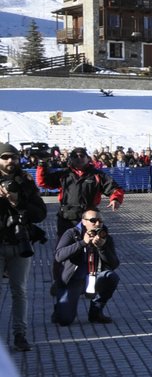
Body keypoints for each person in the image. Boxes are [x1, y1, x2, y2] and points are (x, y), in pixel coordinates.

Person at [0, 143, 47, 351]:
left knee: (19, 290)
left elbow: (41, 213)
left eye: (14, 157)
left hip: (20, 243)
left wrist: (17, 201)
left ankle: (20, 334)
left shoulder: (25, 182)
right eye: (5, 157)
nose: (10, 161)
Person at [52, 208, 119, 326]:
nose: (97, 223)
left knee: (111, 277)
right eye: (93, 220)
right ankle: (60, 306)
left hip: (94, 277)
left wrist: (102, 248)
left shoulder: (105, 236)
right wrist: (82, 243)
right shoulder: (72, 233)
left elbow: (114, 264)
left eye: (100, 221)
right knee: (65, 320)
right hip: (73, 280)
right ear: (84, 221)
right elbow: (58, 256)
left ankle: (96, 312)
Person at [41, 147, 124, 242]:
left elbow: (115, 189)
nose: (78, 158)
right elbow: (44, 182)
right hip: (66, 218)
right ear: (71, 159)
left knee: (92, 246)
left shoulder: (97, 175)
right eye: (75, 156)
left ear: (88, 158)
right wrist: (42, 164)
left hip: (89, 218)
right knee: (64, 249)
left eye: (81, 155)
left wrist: (115, 199)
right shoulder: (64, 174)